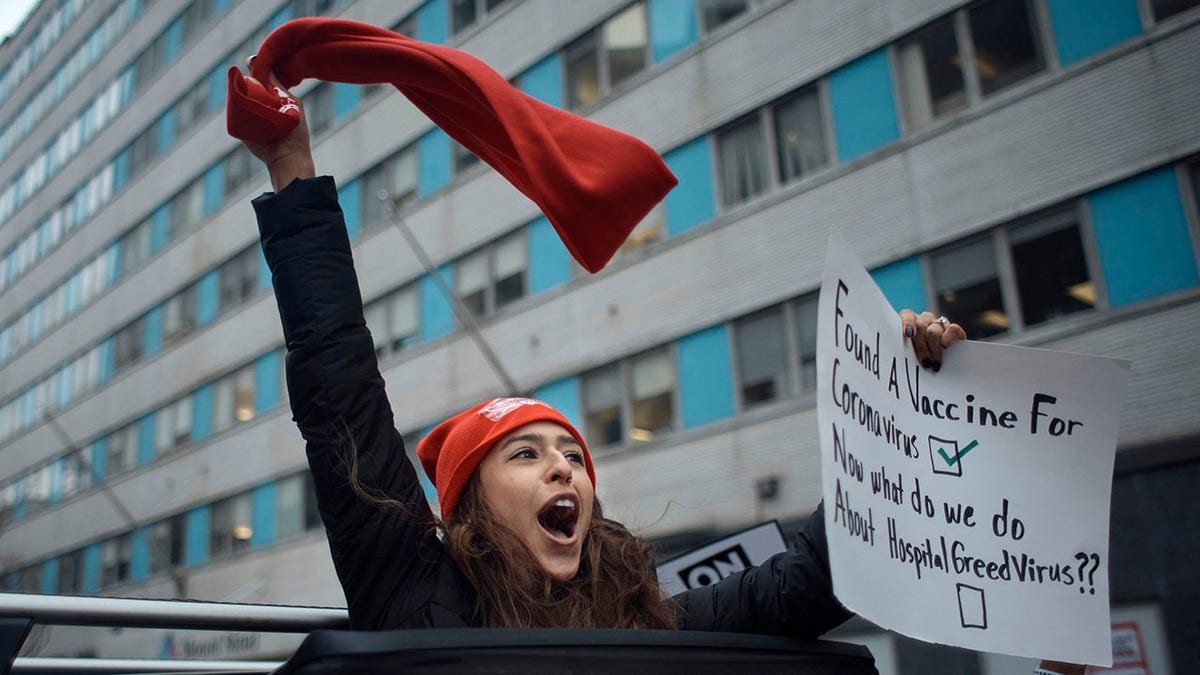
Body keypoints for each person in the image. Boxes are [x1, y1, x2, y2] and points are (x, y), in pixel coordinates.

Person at [241, 72, 968, 635]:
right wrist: (289, 162)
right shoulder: (410, 587)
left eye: (571, 453)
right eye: (525, 454)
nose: (565, 464)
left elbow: (807, 581)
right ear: (468, 506)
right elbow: (339, 380)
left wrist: (902, 407)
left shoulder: (653, 615)